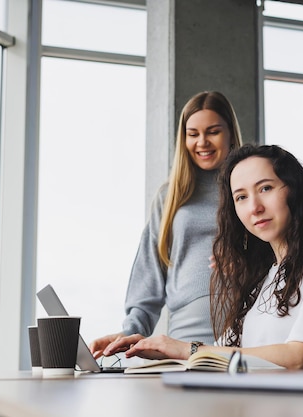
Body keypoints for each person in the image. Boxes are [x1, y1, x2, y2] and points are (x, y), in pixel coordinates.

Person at [102, 144, 303, 371]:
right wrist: (152, 348)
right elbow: (222, 356)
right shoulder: (266, 277)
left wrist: (187, 349)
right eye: (241, 197)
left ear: (294, 189)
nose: (255, 207)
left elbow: (298, 359)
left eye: (266, 188)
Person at [89, 91, 243, 360]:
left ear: (230, 133)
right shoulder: (170, 197)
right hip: (183, 341)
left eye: (213, 131)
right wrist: (130, 331)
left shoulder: (249, 192)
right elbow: (149, 275)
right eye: (192, 133)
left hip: (245, 334)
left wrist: (245, 263)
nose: (202, 142)